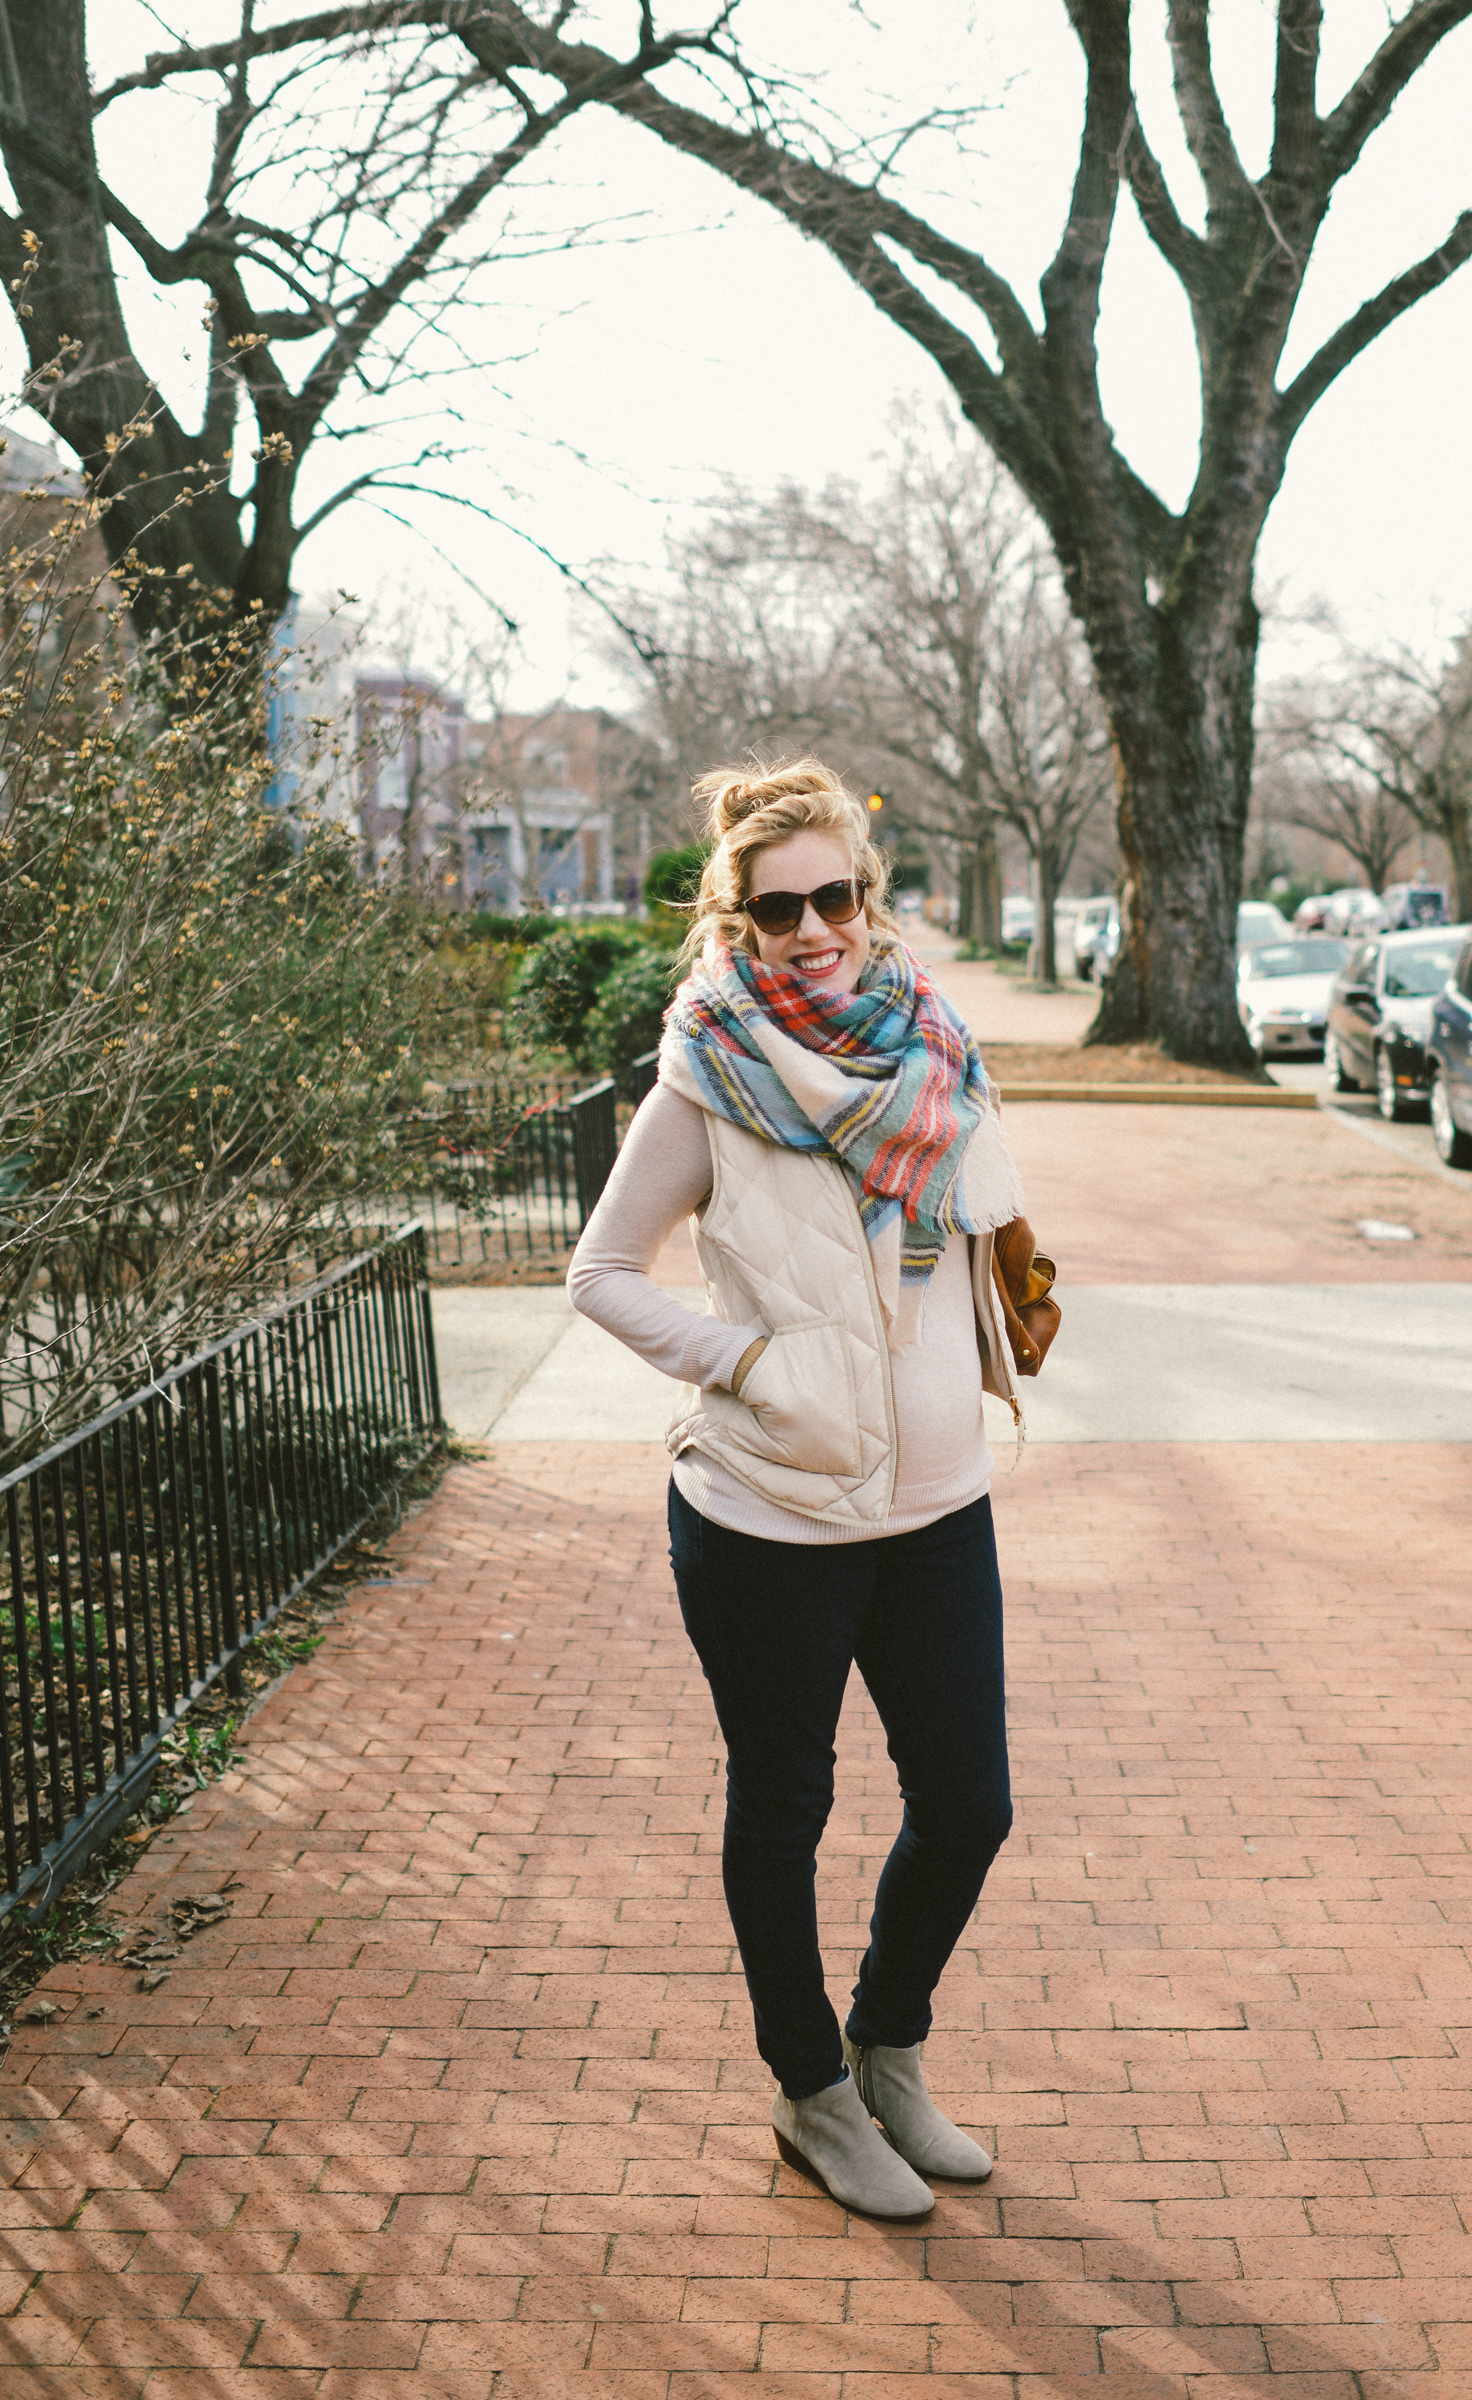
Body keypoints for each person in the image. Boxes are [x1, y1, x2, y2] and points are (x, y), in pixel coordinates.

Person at [568, 757, 1030, 2220]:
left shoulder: (933, 1042)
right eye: (780, 910)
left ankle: (886, 2049)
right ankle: (810, 2094)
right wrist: (753, 1365)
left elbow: (964, 1222)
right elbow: (600, 1274)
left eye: (835, 896)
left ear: (867, 898)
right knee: (785, 1809)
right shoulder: (705, 1080)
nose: (814, 929)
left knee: (968, 1806)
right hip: (770, 1513)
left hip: (938, 1503)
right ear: (738, 921)